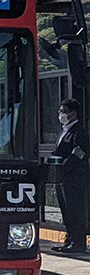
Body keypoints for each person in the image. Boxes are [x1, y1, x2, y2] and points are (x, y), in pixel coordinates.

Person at [52, 98, 90, 254]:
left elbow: (80, 152)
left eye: (63, 111)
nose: (60, 114)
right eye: (60, 111)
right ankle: (70, 239)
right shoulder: (63, 131)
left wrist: (65, 166)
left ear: (73, 114)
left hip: (74, 179)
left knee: (76, 210)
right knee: (66, 210)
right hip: (62, 178)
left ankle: (79, 242)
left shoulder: (79, 131)